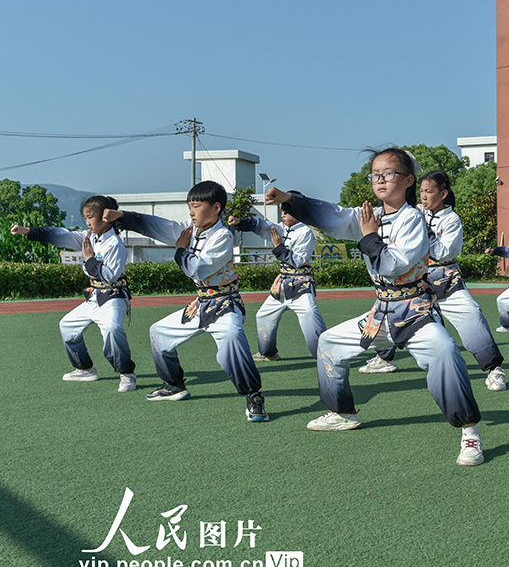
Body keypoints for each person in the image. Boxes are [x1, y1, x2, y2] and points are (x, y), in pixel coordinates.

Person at [264, 148, 485, 467]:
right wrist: (289, 199)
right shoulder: (367, 215)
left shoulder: (413, 219)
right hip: (380, 313)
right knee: (329, 343)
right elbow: (333, 214)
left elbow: (395, 264)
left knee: (446, 351)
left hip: (414, 312)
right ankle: (343, 413)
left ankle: (469, 431)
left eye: (389, 173)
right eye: (375, 174)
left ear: (408, 180)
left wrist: (369, 236)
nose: (380, 180)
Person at [103, 181, 268, 422]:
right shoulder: (191, 230)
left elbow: (197, 269)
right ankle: (173, 385)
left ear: (216, 208)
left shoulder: (222, 235)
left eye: (196, 206)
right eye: (189, 207)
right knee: (158, 333)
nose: (191, 212)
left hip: (224, 304)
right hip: (202, 304)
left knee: (232, 338)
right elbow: (157, 225)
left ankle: (254, 396)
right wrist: (123, 217)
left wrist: (180, 251)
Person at [358, 170, 507, 392]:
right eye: (421, 191)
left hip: (446, 282)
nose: (424, 195)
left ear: (443, 194)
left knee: (471, 315)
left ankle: (494, 368)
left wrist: (423, 232)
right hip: (415, 285)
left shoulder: (451, 219)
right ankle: (384, 357)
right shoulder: (414, 212)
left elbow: (446, 252)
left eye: (429, 191)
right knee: (386, 316)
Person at [12, 195, 136, 391]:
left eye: (90, 217)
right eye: (85, 217)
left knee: (112, 328)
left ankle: (127, 374)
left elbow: (111, 276)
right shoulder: (89, 237)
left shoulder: (115, 244)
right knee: (67, 326)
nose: (87, 222)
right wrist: (29, 231)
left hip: (113, 297)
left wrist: (90, 259)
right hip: (94, 296)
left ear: (106, 217)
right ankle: (85, 369)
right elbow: (62, 235)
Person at [227, 206, 327, 361]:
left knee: (309, 314)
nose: (283, 215)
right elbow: (262, 225)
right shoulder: (281, 228)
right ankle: (268, 353)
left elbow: (297, 261)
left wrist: (279, 246)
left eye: (286, 212)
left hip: (301, 284)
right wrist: (240, 222)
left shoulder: (305, 233)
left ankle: (325, 354)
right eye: (281, 212)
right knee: (263, 315)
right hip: (281, 284)